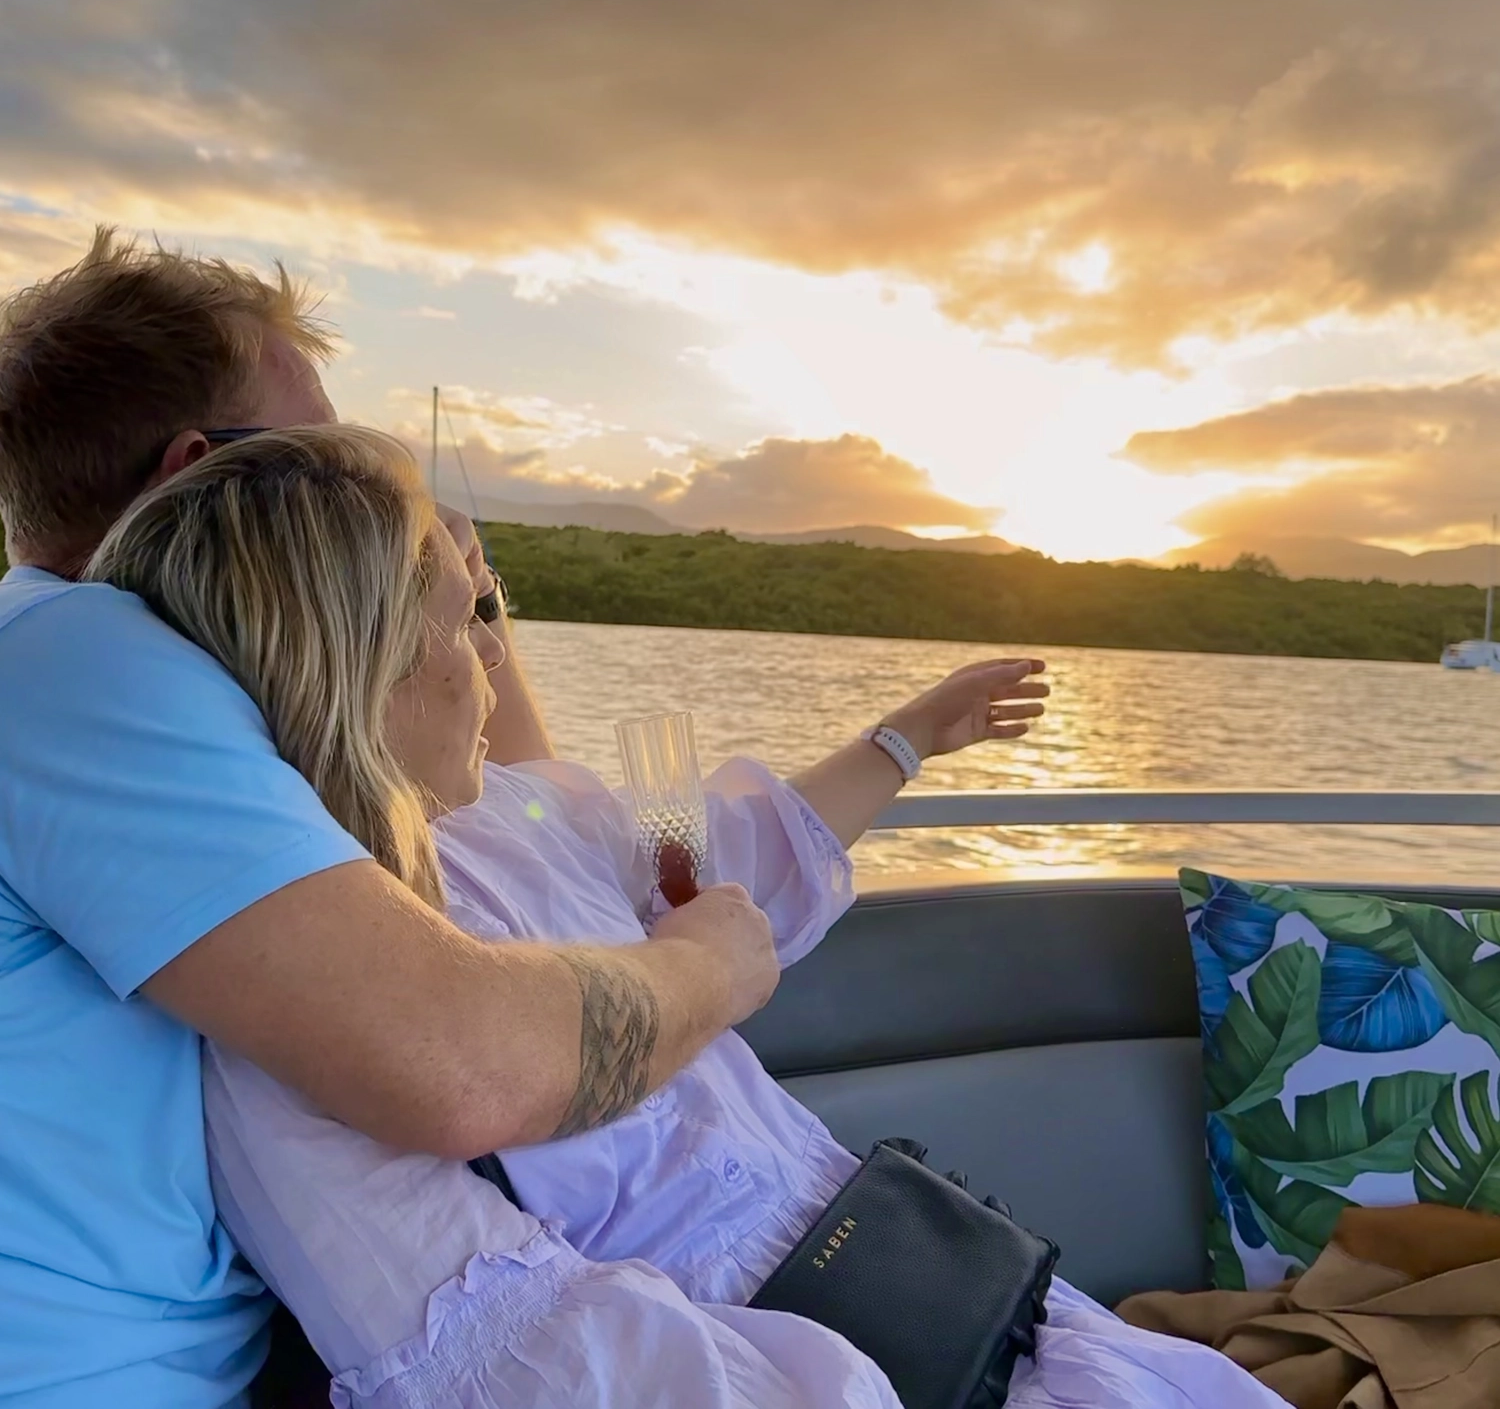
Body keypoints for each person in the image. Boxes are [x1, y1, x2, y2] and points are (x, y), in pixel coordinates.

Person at [89, 423, 1291, 1409]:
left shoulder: (525, 810)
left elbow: (724, 870)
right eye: (471, 615)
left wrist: (907, 737)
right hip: (814, 1357)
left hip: (948, 1287)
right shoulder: (317, 1006)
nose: (493, 662)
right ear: (366, 651)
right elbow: (534, 1369)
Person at [0, 234, 783, 1409]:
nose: (351, 482)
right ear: (201, 473)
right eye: (323, 449)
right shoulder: (82, 657)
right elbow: (457, 1065)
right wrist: (710, 968)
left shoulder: (155, 679)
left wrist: (459, 588)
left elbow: (508, 791)